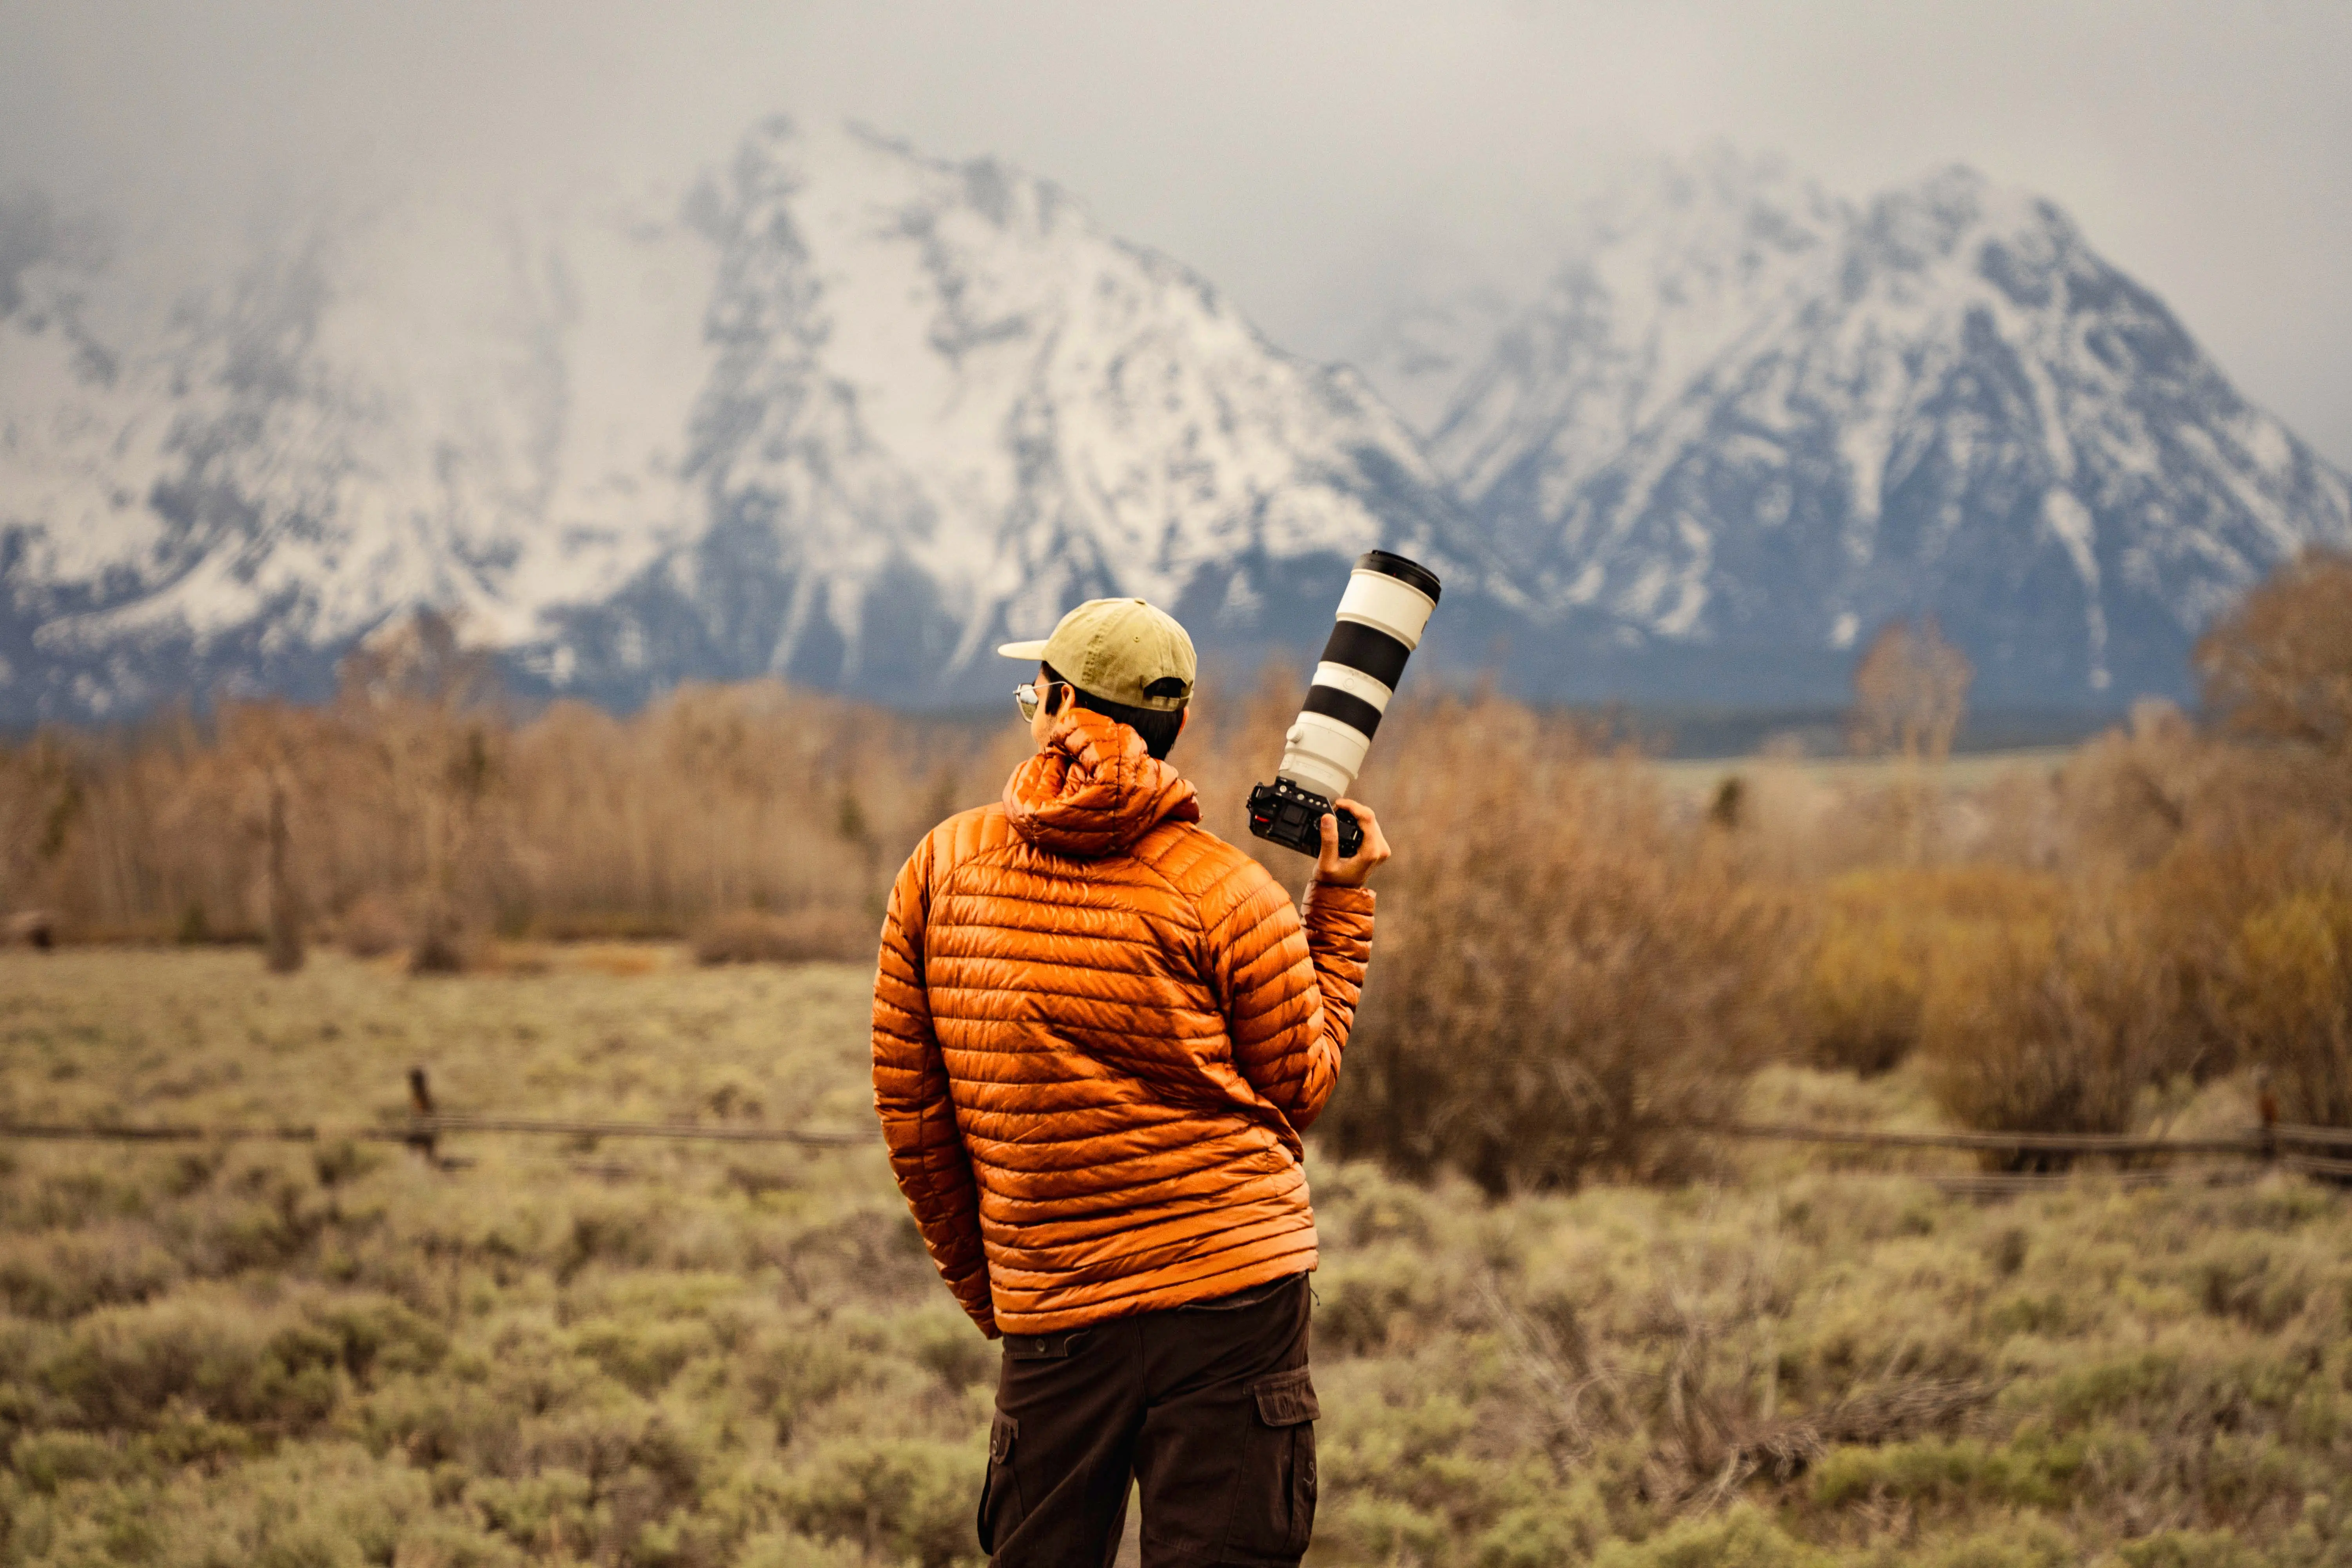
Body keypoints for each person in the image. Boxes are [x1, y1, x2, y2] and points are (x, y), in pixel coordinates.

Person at [871, 595, 1390, 1568]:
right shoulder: (1232, 888)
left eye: (1036, 691)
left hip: (1056, 1304)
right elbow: (1301, 1085)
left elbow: (915, 1118)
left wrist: (1007, 1293)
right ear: (1178, 723)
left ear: (1058, 706)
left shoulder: (939, 868)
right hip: (1236, 1292)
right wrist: (1342, 907)